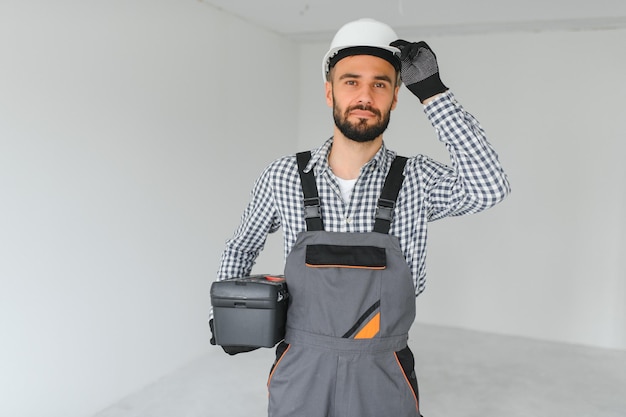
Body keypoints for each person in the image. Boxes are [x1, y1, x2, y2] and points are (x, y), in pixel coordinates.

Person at [210, 18, 510, 417]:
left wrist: (434, 94)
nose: (365, 95)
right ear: (329, 90)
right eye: (351, 81)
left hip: (383, 368)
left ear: (396, 97)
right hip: (302, 366)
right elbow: (242, 243)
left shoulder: (417, 179)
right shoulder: (284, 175)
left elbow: (489, 186)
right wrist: (228, 311)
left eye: (380, 83)